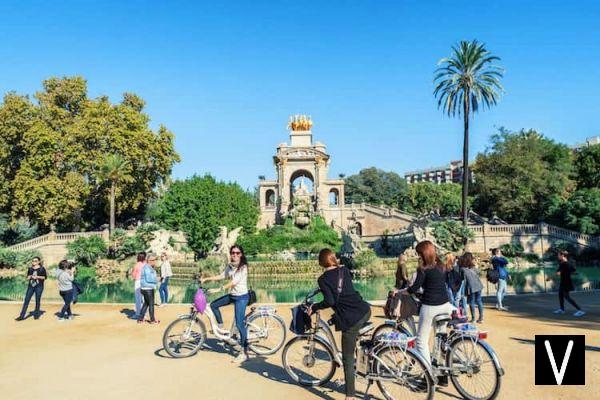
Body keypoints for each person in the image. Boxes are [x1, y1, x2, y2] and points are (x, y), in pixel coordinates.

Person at [308, 248, 371, 400]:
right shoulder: (345, 270)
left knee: (347, 358)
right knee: (353, 342)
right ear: (333, 258)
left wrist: (314, 307)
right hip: (364, 310)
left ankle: (350, 396)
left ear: (321, 262)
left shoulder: (323, 279)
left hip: (351, 319)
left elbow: (330, 301)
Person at [400, 241, 455, 368]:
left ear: (424, 254)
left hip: (431, 306)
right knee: (440, 339)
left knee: (420, 341)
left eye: (419, 254)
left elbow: (412, 289)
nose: (418, 256)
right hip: (445, 305)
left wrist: (399, 292)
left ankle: (428, 374)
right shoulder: (441, 266)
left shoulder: (423, 269)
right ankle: (442, 371)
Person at [201, 245, 251, 363]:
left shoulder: (243, 267)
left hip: (241, 298)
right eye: (233, 253)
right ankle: (221, 328)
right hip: (233, 296)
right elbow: (222, 276)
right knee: (213, 305)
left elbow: (233, 282)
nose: (235, 255)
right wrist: (207, 279)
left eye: (237, 253)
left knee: (239, 325)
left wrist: (218, 289)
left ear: (241, 254)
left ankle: (244, 352)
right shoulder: (231, 266)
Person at [553, 251, 586, 317]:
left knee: (566, 297)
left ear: (562, 256)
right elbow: (572, 271)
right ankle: (562, 309)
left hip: (566, 283)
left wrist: (550, 277)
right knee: (560, 295)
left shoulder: (564, 263)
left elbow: (558, 273)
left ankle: (580, 310)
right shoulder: (565, 263)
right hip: (563, 282)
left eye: (558, 255)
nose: (558, 256)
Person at [15, 257, 47, 321]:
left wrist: (37, 277)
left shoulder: (42, 269)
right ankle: (21, 316)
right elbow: (27, 276)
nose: (34, 262)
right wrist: (29, 277)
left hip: (39, 286)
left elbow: (44, 277)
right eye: (33, 261)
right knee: (26, 300)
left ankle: (36, 315)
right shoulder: (30, 269)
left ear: (38, 262)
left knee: (37, 300)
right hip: (31, 286)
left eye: (35, 261)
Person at [461, 252, 484, 323]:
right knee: (479, 301)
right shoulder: (474, 267)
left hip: (471, 287)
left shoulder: (463, 269)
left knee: (471, 302)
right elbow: (479, 273)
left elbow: (463, 280)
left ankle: (473, 318)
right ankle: (481, 318)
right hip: (478, 286)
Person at [138, 254, 160, 324]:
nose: (155, 261)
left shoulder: (149, 267)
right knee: (151, 304)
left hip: (145, 288)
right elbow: (149, 278)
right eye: (153, 260)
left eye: (155, 260)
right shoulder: (147, 268)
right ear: (149, 261)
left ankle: (140, 319)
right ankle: (152, 320)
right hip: (148, 289)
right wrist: (157, 279)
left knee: (146, 304)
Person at [131, 252, 146, 319]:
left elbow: (133, 275)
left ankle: (137, 314)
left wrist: (134, 277)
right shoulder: (146, 265)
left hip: (138, 282)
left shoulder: (136, 265)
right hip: (145, 282)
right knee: (144, 299)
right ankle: (144, 314)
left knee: (138, 299)